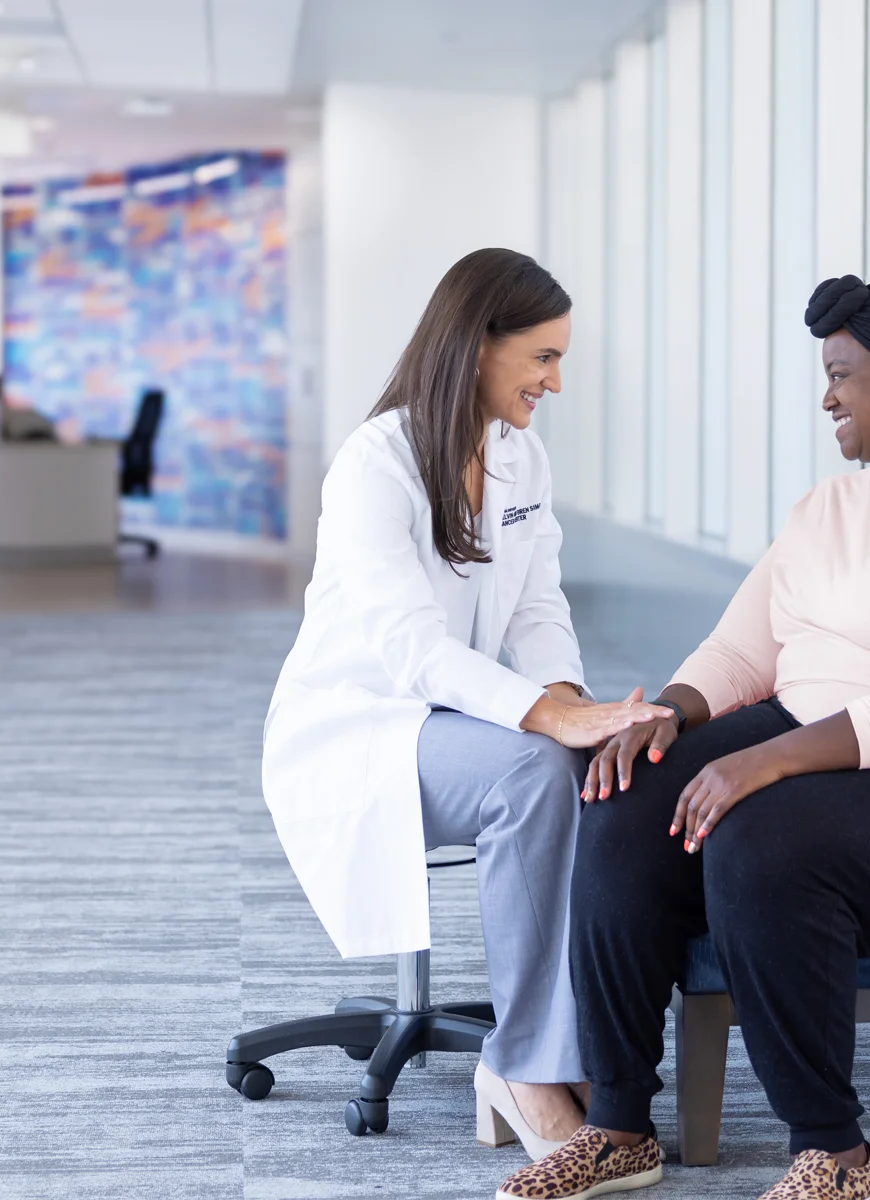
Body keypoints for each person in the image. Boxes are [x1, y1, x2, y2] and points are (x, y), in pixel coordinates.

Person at [495, 276, 870, 1200]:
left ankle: (836, 1157)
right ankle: (618, 1124)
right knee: (623, 791)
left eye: (842, 375)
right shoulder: (828, 509)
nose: (827, 397)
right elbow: (744, 646)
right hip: (831, 745)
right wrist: (672, 715)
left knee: (762, 837)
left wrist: (767, 759)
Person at [261, 248, 673, 1161]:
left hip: (457, 723)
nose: (556, 382)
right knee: (537, 763)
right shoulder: (375, 463)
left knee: (584, 760)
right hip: (358, 732)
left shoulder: (521, 458)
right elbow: (410, 650)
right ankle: (525, 1066)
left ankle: (572, 1050)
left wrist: (574, 706)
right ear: (476, 344)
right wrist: (549, 721)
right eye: (542, 358)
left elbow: (538, 608)